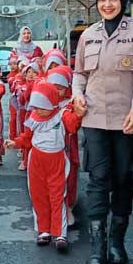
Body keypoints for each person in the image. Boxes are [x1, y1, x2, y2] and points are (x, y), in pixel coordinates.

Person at [72, 0, 133, 264]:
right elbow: (79, 73)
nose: (107, 4)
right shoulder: (88, 36)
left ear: (123, 1)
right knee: (98, 178)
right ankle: (97, 248)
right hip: (94, 118)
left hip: (127, 120)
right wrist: (77, 95)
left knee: (123, 178)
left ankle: (117, 242)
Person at [5, 82, 84, 252]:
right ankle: (44, 230)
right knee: (38, 195)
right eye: (37, 106)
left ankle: (60, 232)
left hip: (56, 160)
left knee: (57, 196)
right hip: (36, 160)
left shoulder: (62, 114)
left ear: (52, 103)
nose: (39, 110)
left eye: (43, 106)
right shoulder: (34, 117)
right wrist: (15, 143)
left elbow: (72, 126)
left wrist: (77, 114)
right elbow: (27, 137)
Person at [47, 66, 79, 228]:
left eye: (60, 88)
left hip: (66, 149)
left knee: (69, 178)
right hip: (47, 150)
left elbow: (72, 126)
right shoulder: (43, 104)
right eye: (52, 87)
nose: (56, 91)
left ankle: (67, 206)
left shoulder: (69, 104)